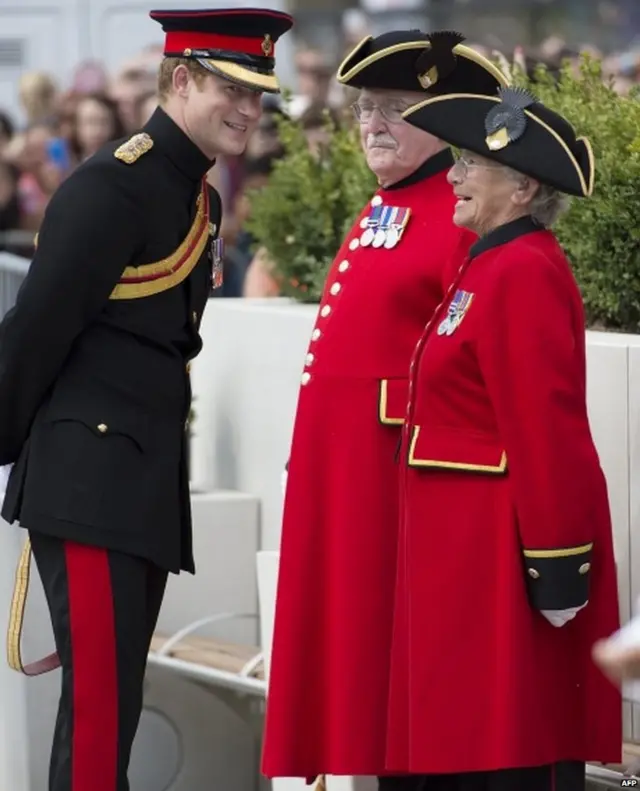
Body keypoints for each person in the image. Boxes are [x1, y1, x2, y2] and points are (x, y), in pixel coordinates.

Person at [0, 7, 292, 791]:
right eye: (231, 88)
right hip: (88, 480)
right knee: (98, 717)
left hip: (134, 484)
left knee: (114, 707)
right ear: (182, 78)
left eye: (258, 95)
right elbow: (34, 330)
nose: (248, 109)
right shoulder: (112, 187)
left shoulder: (197, 195)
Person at [262, 31, 507, 784]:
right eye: (366, 106)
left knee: (393, 687)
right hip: (351, 474)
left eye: (396, 108)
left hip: (395, 480)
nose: (372, 122)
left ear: (446, 119)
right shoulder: (390, 203)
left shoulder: (459, 211)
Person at [373, 85, 620, 790]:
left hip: (499, 563)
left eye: (469, 163)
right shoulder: (487, 263)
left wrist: (558, 561)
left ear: (522, 185)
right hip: (460, 559)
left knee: (502, 749)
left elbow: (546, 428)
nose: (451, 175)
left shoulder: (525, 269)